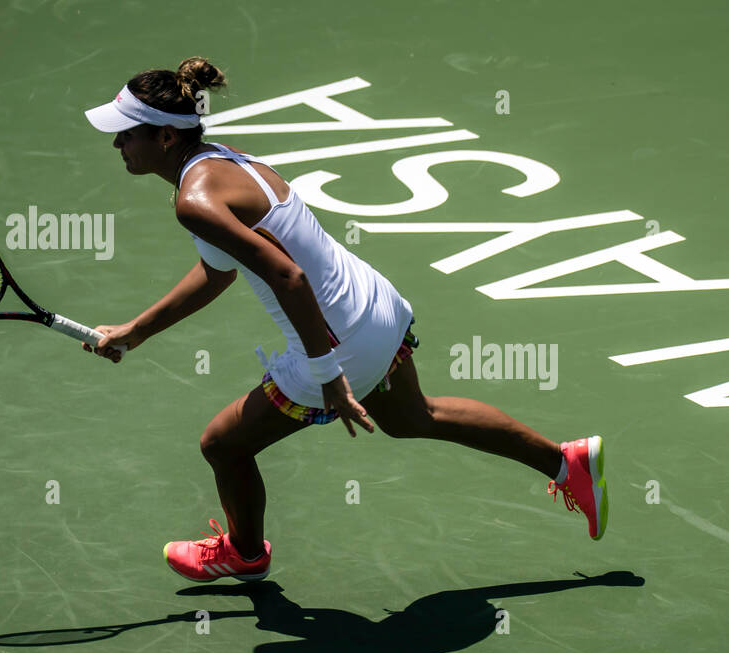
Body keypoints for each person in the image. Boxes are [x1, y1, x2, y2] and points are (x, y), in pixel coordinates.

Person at [82, 57, 607, 583]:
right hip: (375, 306)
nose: (116, 145)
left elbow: (286, 277)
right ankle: (568, 464)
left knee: (222, 443)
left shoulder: (194, 202)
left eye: (125, 134)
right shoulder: (223, 160)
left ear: (166, 138)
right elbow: (219, 272)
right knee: (413, 417)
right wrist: (138, 330)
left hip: (339, 346)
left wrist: (329, 376)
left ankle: (244, 554)